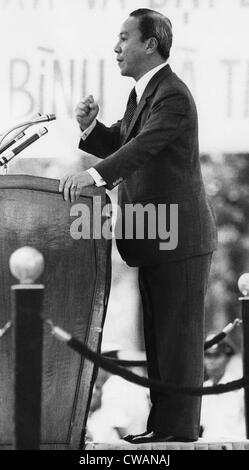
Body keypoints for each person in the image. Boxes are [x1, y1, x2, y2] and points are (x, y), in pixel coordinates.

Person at [59, 8, 217, 443]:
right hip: (156, 236)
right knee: (160, 338)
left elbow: (144, 147)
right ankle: (164, 427)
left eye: (124, 38)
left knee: (177, 341)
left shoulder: (173, 96)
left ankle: (177, 431)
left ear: (151, 43)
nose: (116, 47)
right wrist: (91, 128)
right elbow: (126, 142)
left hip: (180, 238)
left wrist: (92, 176)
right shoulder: (144, 95)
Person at [200, 335, 246, 440]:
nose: (211, 361)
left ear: (227, 357)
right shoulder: (201, 390)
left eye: (216, 355)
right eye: (207, 355)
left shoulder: (239, 387)